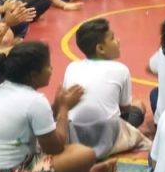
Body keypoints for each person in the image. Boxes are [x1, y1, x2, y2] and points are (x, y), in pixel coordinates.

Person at [0, 42, 117, 172]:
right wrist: (64, 109)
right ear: (33, 75)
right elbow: (56, 148)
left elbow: (40, 126)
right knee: (85, 155)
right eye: (48, 66)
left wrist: (56, 107)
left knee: (50, 143)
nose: (51, 70)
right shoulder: (35, 101)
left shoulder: (2, 88)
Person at [63, 19, 150, 159]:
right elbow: (125, 109)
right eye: (113, 38)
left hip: (74, 136)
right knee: (138, 105)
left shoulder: (71, 67)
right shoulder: (121, 69)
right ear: (101, 49)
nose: (118, 41)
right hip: (107, 137)